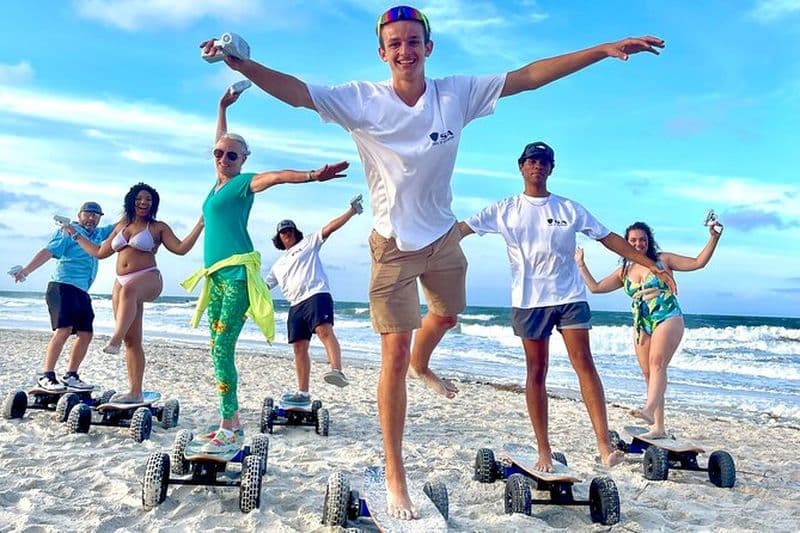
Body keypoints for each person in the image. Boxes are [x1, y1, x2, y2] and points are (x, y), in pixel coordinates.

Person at [202, 6, 664, 517]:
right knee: (393, 357)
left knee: (447, 314)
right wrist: (244, 65)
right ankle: (397, 474)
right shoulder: (361, 100)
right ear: (383, 52)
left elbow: (528, 77)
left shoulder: (455, 94)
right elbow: (296, 92)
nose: (405, 50)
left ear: (429, 46)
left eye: (414, 40)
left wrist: (600, 51)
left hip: (444, 241)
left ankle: (426, 362)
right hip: (393, 247)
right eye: (395, 43)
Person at [459, 141, 677, 472]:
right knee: (536, 371)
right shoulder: (504, 209)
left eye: (544, 161)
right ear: (521, 166)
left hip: (570, 297)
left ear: (551, 168)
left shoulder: (568, 209)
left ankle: (605, 446)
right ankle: (544, 451)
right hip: (529, 301)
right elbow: (460, 230)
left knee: (584, 363)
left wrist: (650, 263)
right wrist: (423, 251)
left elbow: (608, 238)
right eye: (532, 161)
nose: (537, 166)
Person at [180, 87, 349, 454]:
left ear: (243, 160)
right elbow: (219, 140)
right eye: (219, 154)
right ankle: (229, 420)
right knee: (215, 350)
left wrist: (312, 176)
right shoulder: (216, 184)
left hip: (238, 276)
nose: (224, 158)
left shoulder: (243, 183)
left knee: (223, 348)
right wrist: (221, 105)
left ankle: (232, 424)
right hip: (216, 280)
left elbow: (274, 176)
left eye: (232, 155)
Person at [575, 221, 723, 438]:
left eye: (642, 240)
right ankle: (658, 428)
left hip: (667, 316)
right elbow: (596, 288)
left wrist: (714, 237)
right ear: (626, 243)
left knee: (657, 363)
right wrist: (580, 264)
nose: (638, 244)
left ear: (649, 241)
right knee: (649, 374)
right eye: (633, 240)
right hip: (642, 323)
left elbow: (698, 262)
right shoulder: (624, 270)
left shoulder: (663, 260)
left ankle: (648, 409)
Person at [64, 183, 204, 403]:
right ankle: (135, 391)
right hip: (121, 282)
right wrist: (75, 235)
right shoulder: (121, 225)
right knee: (133, 340)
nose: (143, 203)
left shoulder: (158, 227)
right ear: (131, 201)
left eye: (148, 200)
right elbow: (100, 252)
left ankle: (115, 338)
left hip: (149, 277)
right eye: (139, 198)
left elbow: (181, 248)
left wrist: (200, 224)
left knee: (129, 294)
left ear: (153, 204)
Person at [265, 195, 364, 406]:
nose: (287, 234)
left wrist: (351, 211)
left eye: (290, 230)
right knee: (299, 348)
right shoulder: (277, 265)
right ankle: (303, 393)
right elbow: (263, 288)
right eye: (283, 232)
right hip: (295, 306)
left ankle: (337, 371)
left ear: (295, 232)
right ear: (279, 238)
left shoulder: (308, 243)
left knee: (324, 331)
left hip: (316, 295)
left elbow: (329, 228)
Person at [11, 202, 114, 391]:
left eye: (96, 215)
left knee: (86, 334)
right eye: (88, 214)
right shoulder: (69, 231)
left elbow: (121, 224)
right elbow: (48, 251)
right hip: (62, 286)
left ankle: (71, 375)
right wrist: (26, 271)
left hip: (82, 291)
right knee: (64, 330)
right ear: (79, 214)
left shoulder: (99, 234)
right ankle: (47, 375)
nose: (92, 218)